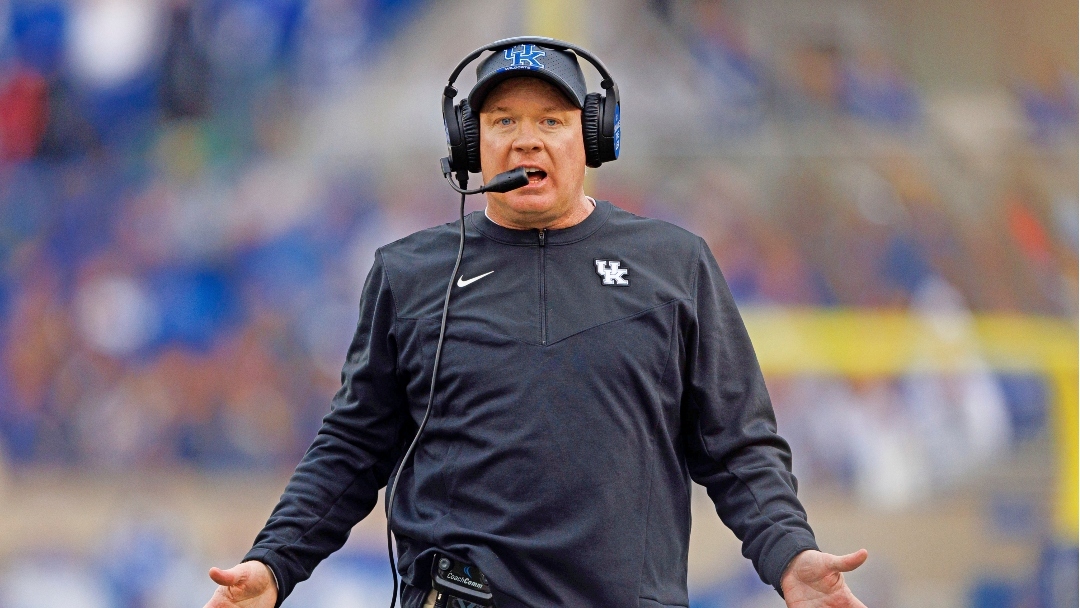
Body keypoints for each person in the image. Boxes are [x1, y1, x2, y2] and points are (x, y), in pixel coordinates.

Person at [202, 41, 868, 608]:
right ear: (470, 142)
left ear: (595, 137)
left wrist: (789, 556)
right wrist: (274, 565)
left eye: (551, 119)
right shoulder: (408, 274)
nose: (525, 138)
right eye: (502, 120)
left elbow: (737, 446)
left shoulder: (675, 263)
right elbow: (351, 450)